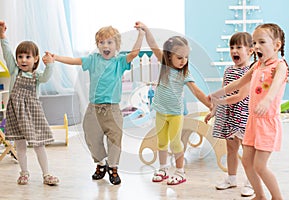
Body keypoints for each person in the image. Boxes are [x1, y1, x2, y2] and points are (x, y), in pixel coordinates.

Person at [45, 24, 145, 185]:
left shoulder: (119, 61)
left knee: (115, 139)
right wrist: (56, 58)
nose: (105, 46)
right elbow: (74, 61)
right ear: (97, 45)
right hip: (94, 108)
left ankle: (113, 167)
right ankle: (101, 163)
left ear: (117, 46)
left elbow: (134, 53)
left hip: (112, 108)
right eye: (101, 42)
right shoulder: (93, 60)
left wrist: (141, 35)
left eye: (110, 43)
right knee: (91, 136)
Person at [210, 23, 289, 200]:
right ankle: (260, 196)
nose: (256, 46)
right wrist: (217, 93)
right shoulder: (256, 66)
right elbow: (238, 84)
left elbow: (275, 87)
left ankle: (277, 198)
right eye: (254, 43)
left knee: (260, 166)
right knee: (246, 161)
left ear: (276, 45)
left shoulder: (280, 66)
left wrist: (268, 100)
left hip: (267, 122)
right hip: (252, 121)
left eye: (262, 42)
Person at [135, 22, 212, 185]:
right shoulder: (164, 65)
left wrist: (211, 106)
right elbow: (153, 44)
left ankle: (180, 171)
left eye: (186, 57)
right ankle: (163, 168)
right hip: (161, 111)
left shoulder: (185, 73)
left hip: (175, 113)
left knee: (175, 142)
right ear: (169, 56)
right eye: (179, 57)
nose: (183, 61)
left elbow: (197, 91)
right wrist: (147, 30)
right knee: (161, 141)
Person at [0, 21, 59, 185]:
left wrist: (50, 64)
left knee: (39, 145)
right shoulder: (14, 71)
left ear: (36, 59)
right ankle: (24, 172)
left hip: (33, 115)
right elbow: (6, 52)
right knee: (20, 145)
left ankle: (46, 174)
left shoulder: (37, 76)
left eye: (28, 57)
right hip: (16, 115)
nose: (23, 60)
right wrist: (3, 36)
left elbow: (47, 77)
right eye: (20, 56)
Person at [204, 32, 255, 197]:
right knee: (231, 149)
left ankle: (251, 182)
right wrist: (213, 111)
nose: (234, 50)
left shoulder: (251, 71)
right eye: (232, 47)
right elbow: (224, 94)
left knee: (247, 152)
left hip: (244, 116)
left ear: (251, 51)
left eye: (239, 47)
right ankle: (232, 178)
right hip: (229, 115)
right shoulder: (228, 70)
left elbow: (240, 95)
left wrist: (217, 101)